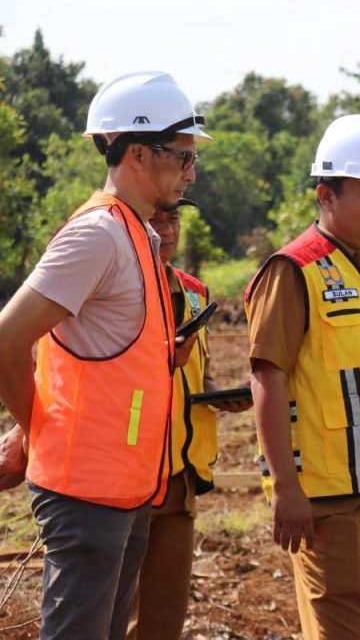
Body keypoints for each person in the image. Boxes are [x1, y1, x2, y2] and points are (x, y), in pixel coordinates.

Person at [0, 70, 209, 639]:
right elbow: (7, 341)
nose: (191, 172)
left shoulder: (135, 233)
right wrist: (36, 428)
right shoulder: (97, 235)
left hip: (125, 487)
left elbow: (96, 353)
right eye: (184, 157)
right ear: (138, 152)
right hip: (85, 490)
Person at [245, 114, 360, 639]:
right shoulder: (293, 270)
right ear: (326, 195)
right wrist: (285, 487)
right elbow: (267, 378)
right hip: (329, 504)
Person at [127, 198, 252, 640]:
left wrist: (222, 396)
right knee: (116, 615)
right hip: (127, 477)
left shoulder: (195, 292)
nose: (167, 228)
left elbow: (201, 372)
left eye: (173, 218)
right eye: (155, 219)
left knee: (164, 617)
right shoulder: (118, 288)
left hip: (180, 478)